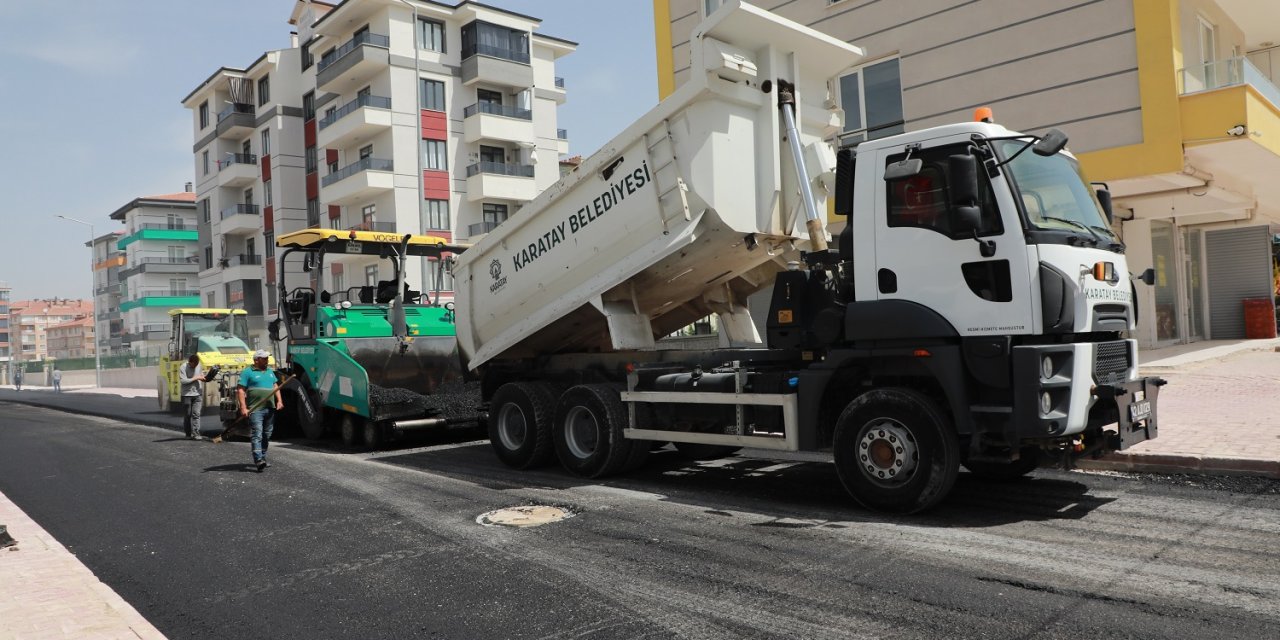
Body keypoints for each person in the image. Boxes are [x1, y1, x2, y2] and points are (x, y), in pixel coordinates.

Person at [237, 350, 282, 472]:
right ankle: (258, 460)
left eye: (267, 358)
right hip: (256, 409)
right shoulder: (247, 372)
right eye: (264, 358)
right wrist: (243, 407)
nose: (267, 360)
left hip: (270, 407)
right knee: (257, 433)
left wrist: (279, 401)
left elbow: (275, 386)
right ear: (256, 360)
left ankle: (262, 457)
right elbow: (241, 390)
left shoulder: (269, 372)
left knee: (267, 434)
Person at [179, 355, 210, 440]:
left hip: (197, 394)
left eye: (196, 364)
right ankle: (188, 434)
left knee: (196, 414)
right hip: (186, 395)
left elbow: (201, 375)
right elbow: (183, 380)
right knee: (187, 415)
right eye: (193, 365)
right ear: (189, 362)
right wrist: (196, 378)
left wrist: (204, 377)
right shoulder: (183, 367)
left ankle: (196, 433)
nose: (195, 366)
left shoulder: (199, 365)